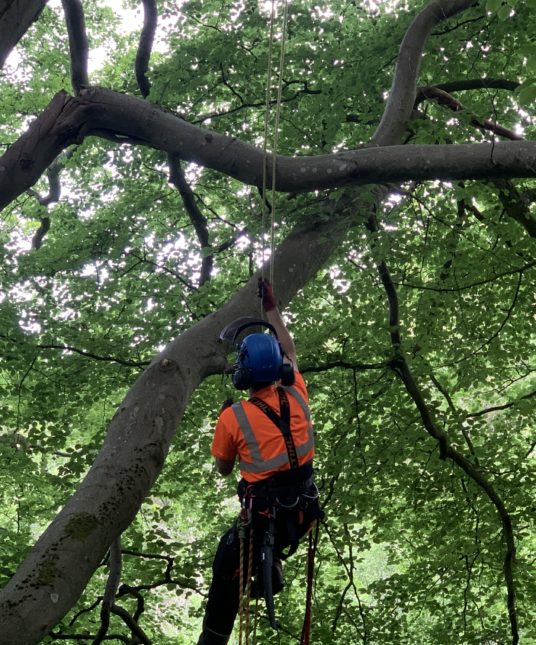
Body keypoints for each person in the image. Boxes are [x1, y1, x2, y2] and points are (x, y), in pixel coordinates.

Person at [197, 279, 321, 645]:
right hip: (303, 512)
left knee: (225, 566)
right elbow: (290, 352)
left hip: (265, 518)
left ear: (243, 374)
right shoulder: (295, 390)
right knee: (269, 535)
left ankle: (213, 639)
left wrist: (223, 425)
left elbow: (223, 468)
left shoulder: (233, 417)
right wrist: (272, 309)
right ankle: (275, 564)